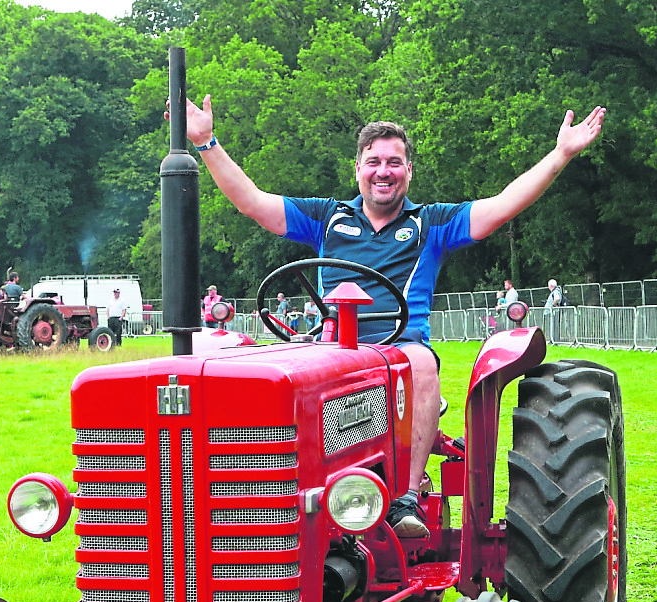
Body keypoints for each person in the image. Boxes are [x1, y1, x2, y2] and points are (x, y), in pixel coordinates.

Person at [172, 93, 605, 536]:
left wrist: (559, 155)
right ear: (358, 168)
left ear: (408, 171)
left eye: (394, 162)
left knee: (421, 362)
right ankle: (267, 504)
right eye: (374, 161)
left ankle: (406, 498)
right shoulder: (326, 218)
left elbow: (503, 203)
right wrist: (207, 143)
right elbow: (252, 202)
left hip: (398, 349)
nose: (384, 171)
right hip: (333, 348)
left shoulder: (431, 224)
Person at [544, 278, 563, 342]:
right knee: (552, 326)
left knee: (554, 326)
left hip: (552, 312)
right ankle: (553, 340)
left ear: (551, 286)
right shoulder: (555, 291)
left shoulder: (556, 291)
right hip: (551, 312)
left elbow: (557, 298)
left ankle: (554, 340)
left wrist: (553, 305)